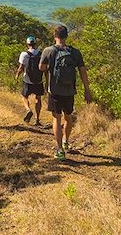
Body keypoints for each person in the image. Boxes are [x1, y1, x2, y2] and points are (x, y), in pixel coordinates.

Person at [39, 25, 92, 160]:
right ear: (66, 36)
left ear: (54, 36)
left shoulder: (48, 50)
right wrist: (87, 90)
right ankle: (66, 141)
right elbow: (83, 71)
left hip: (54, 90)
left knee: (56, 118)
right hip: (70, 90)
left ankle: (59, 149)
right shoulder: (75, 52)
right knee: (68, 116)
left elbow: (41, 67)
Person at [14, 35, 45, 126]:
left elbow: (21, 68)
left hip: (27, 80)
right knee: (38, 99)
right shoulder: (41, 54)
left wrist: (16, 76)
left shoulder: (24, 54)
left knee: (24, 96)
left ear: (27, 44)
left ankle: (28, 110)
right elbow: (45, 68)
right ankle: (37, 119)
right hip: (39, 80)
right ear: (35, 44)